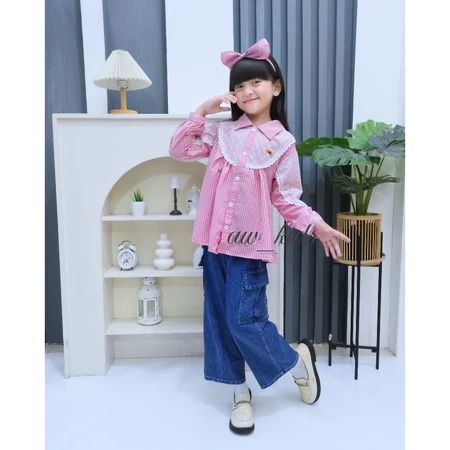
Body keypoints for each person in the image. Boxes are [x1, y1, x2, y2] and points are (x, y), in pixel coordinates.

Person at [169, 38, 350, 435]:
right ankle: (239, 393)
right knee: (219, 322)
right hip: (213, 247)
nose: (247, 91)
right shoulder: (221, 134)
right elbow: (179, 149)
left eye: (255, 82)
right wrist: (201, 111)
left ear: (276, 87)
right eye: (239, 86)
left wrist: (316, 224)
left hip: (249, 249)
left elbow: (286, 198)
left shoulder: (282, 144)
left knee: (245, 321)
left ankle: (297, 363)